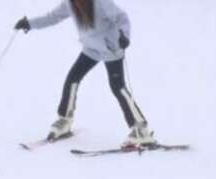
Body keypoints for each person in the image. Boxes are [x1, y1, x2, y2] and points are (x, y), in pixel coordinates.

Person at [15, 0, 155, 148]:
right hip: (91, 49)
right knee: (72, 79)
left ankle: (141, 129)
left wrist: (124, 35)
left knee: (117, 87)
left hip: (111, 48)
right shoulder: (69, 4)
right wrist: (29, 23)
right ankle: (64, 120)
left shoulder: (101, 2)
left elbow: (121, 17)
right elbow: (52, 17)